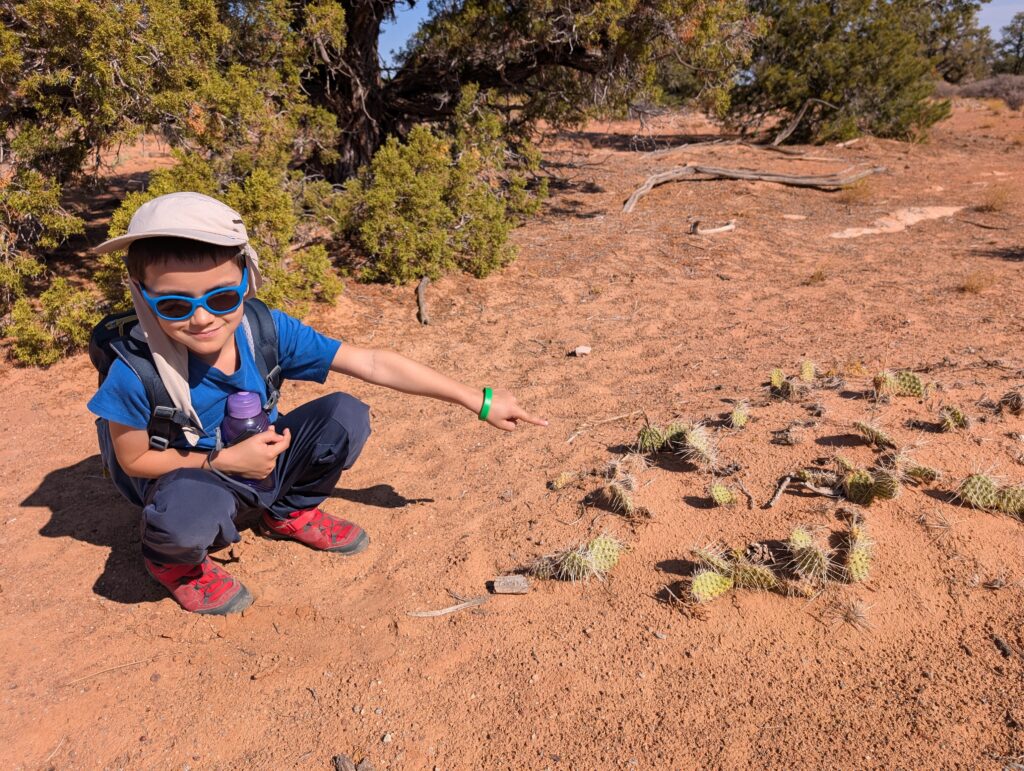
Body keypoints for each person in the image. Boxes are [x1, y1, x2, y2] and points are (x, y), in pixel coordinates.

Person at [88, 192, 547, 615]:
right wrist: (220, 461)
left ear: (246, 279)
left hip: (262, 458)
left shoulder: (261, 329)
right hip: (195, 474)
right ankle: (173, 563)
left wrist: (477, 399)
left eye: (222, 297)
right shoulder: (136, 372)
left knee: (344, 416)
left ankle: (286, 511)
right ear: (141, 294)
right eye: (174, 306)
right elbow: (134, 460)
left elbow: (371, 362)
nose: (203, 318)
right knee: (186, 518)